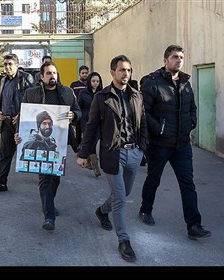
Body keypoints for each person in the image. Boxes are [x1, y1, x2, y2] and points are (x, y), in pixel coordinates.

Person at [76, 55, 147, 262]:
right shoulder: (102, 97)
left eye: (129, 70)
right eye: (122, 70)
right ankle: (124, 240)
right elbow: (91, 127)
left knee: (124, 192)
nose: (126, 73)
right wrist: (83, 154)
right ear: (112, 72)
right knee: (121, 198)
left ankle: (101, 211)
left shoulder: (136, 96)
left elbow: (142, 124)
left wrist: (142, 149)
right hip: (112, 154)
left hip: (133, 152)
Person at [139, 44, 211, 240]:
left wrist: (191, 123)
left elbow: (192, 108)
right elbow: (143, 112)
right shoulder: (152, 83)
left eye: (181, 57)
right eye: (174, 57)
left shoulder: (186, 83)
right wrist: (159, 129)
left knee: (188, 184)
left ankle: (194, 225)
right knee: (154, 179)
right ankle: (145, 209)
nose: (178, 60)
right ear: (165, 60)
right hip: (160, 145)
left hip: (182, 145)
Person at [21, 61, 81, 231]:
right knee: (45, 177)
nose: (52, 76)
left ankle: (49, 203)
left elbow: (79, 111)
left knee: (55, 177)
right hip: (39, 144)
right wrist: (20, 135)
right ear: (41, 76)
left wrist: (73, 115)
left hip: (59, 144)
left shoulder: (67, 92)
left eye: (54, 73)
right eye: (48, 73)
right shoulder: (31, 93)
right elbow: (25, 117)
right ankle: (49, 216)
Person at [0, 53, 34, 194]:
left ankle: (45, 180)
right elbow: (0, 99)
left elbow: (32, 99)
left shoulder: (26, 78)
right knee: (4, 155)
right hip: (6, 122)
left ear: (17, 65)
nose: (7, 67)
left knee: (33, 150)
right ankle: (0, 183)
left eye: (10, 64)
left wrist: (21, 115)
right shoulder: (3, 80)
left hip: (21, 122)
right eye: (5, 64)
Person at [77, 71, 103, 177]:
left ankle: (89, 160)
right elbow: (79, 106)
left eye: (97, 81)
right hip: (86, 121)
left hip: (98, 122)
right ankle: (95, 167)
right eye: (93, 81)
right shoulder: (83, 93)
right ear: (89, 81)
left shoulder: (102, 93)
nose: (95, 83)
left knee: (94, 140)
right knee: (90, 141)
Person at [70, 65, 89, 149]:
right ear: (79, 74)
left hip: (86, 109)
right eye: (83, 73)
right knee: (77, 128)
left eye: (86, 73)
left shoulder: (90, 84)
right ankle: (78, 146)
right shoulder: (74, 84)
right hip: (77, 109)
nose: (85, 74)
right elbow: (71, 97)